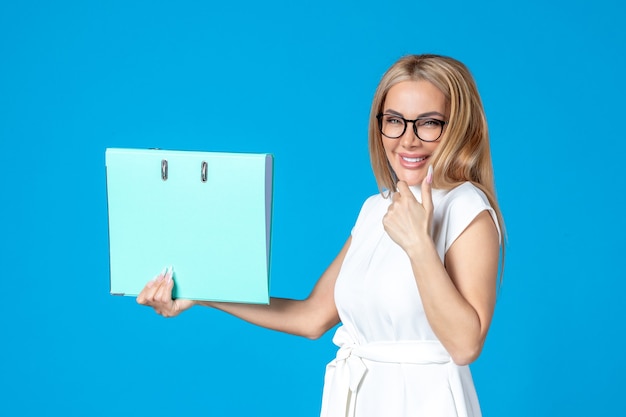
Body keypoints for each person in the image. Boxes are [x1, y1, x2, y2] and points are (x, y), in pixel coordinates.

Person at [137, 53, 505, 417]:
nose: (407, 140)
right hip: (360, 398)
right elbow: (311, 317)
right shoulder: (376, 209)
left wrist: (417, 244)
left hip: (424, 403)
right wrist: (201, 293)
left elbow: (464, 345)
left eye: (428, 123)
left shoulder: (467, 209)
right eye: (394, 121)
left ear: (459, 127)